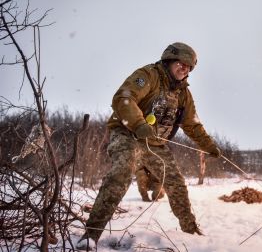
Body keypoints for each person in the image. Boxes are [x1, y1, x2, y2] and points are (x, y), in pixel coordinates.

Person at [77, 42, 221, 249]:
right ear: (169, 60)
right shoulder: (148, 75)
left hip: (155, 144)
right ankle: (90, 236)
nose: (185, 69)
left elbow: (192, 124)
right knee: (122, 173)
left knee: (176, 184)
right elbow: (123, 98)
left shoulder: (183, 94)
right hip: (128, 135)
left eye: (189, 67)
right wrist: (138, 124)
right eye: (181, 63)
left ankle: (191, 233)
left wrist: (209, 146)